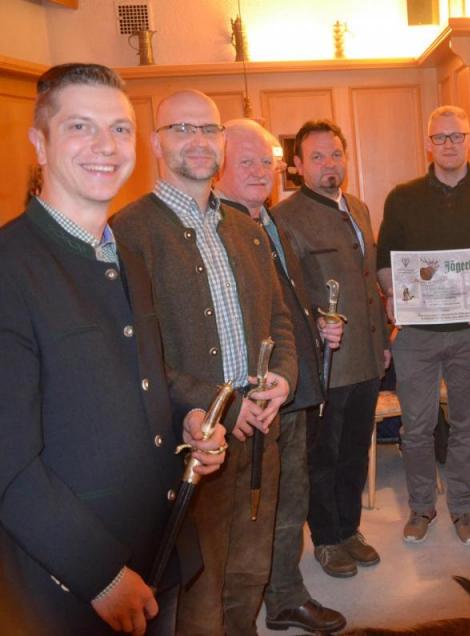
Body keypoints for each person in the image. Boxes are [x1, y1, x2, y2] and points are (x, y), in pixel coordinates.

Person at [0, 64, 226, 636]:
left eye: (120, 129)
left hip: (158, 548)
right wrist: (98, 575)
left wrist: (187, 417)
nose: (106, 145)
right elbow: (8, 465)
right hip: (69, 583)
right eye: (80, 126)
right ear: (39, 144)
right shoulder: (10, 267)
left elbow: (139, 376)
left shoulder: (123, 253)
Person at [113, 90, 297, 636]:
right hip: (191, 441)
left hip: (260, 431)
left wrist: (284, 377)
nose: (198, 141)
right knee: (199, 584)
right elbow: (133, 355)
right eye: (181, 129)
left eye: (209, 130)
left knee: (249, 567)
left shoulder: (246, 228)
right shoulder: (128, 233)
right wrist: (218, 404)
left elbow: (279, 319)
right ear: (155, 143)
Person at [213, 118, 347, 633]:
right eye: (244, 161)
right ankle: (238, 614)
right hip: (255, 401)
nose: (259, 171)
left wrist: (318, 324)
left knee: (291, 500)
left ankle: (285, 596)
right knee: (253, 515)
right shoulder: (217, 229)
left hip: (295, 387)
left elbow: (283, 300)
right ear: (219, 167)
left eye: (266, 162)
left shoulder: (267, 219)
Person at [377, 105, 470, 544]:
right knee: (416, 429)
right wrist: (393, 296)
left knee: (467, 427)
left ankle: (462, 507)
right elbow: (384, 262)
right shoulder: (402, 196)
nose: (449, 144)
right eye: (440, 137)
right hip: (415, 335)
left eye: (457, 136)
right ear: (428, 144)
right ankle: (421, 507)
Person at [272, 119, 389, 580]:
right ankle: (325, 538)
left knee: (356, 450)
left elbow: (369, 283)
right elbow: (284, 293)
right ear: (298, 166)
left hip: (367, 357)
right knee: (323, 457)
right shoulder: (285, 218)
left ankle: (349, 529)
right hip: (325, 364)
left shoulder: (358, 208)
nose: (329, 165)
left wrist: (383, 344)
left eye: (336, 155)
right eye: (317, 157)